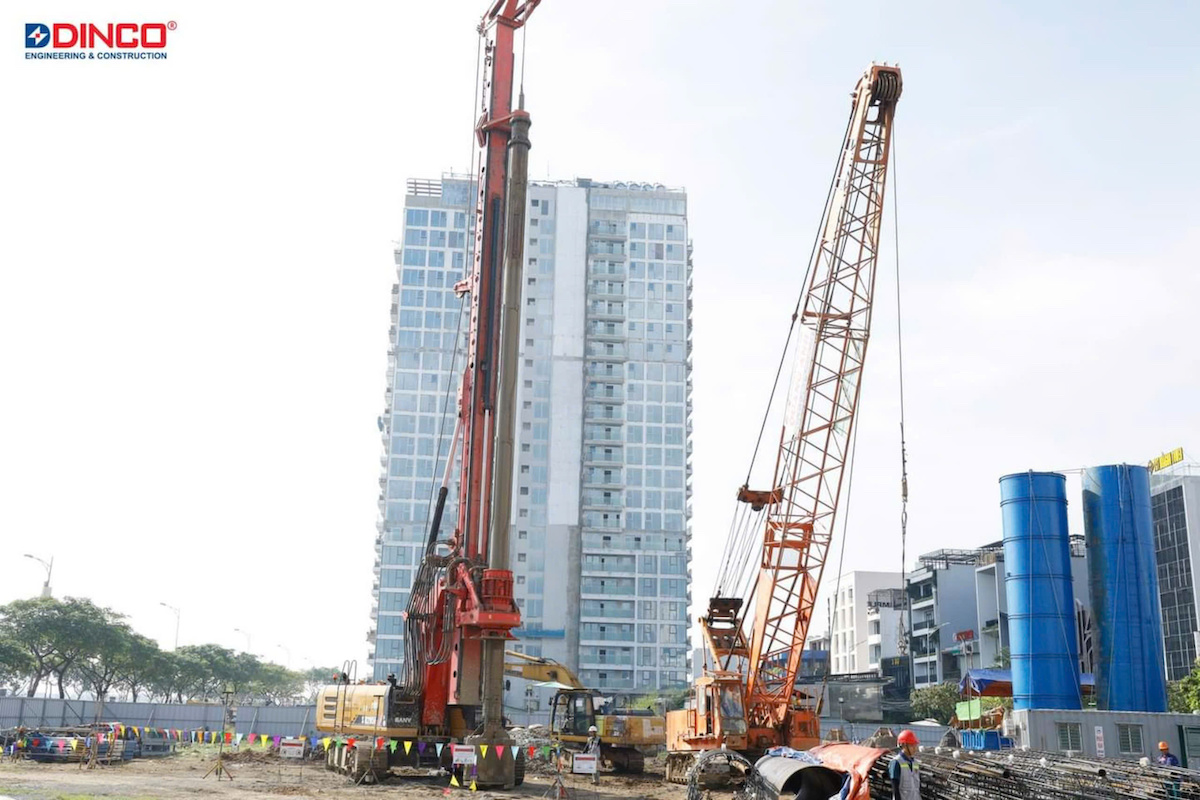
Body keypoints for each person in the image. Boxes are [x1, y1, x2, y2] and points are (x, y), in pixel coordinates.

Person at [887, 730, 920, 800]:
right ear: (904, 745)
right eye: (912, 745)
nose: (915, 748)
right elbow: (895, 788)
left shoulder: (915, 763)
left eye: (915, 745)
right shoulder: (896, 762)